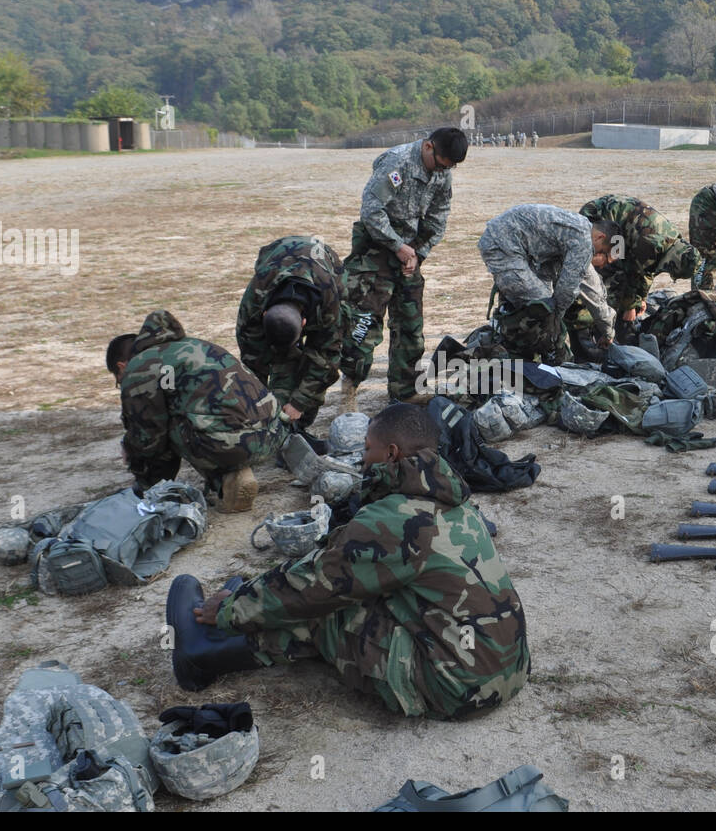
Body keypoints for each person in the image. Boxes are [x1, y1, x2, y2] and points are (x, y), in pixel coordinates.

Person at [167, 403, 531, 719]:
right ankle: (226, 636)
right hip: (504, 668)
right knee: (352, 593)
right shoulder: (453, 501)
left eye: (368, 448)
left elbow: (315, 585)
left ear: (391, 454)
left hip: (456, 686)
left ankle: (204, 654)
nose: (362, 457)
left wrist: (232, 608)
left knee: (325, 611)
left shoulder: (396, 518)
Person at [106, 310, 288, 512]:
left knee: (167, 425)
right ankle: (234, 476)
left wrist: (137, 464)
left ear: (121, 366)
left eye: (118, 379)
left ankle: (220, 483)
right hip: (274, 434)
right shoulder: (198, 345)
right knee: (197, 416)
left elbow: (149, 438)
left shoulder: (140, 367)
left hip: (231, 446)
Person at [338, 127, 468, 409]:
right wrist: (397, 246)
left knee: (410, 325)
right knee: (364, 324)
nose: (441, 172)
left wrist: (417, 254)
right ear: (428, 147)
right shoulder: (397, 163)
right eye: (441, 163)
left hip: (409, 254)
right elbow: (371, 210)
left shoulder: (442, 172)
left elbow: (439, 215)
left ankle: (404, 390)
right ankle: (349, 390)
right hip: (376, 250)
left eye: (449, 168)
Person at [478, 204, 617, 363]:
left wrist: (607, 332)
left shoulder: (580, 228)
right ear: (600, 237)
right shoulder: (584, 241)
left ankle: (525, 352)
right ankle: (507, 352)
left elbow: (591, 288)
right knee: (542, 307)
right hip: (503, 246)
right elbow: (567, 290)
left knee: (542, 306)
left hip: (512, 243)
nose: (601, 262)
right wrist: (554, 323)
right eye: (603, 254)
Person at [235, 235, 344, 430]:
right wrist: (259, 404)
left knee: (321, 359)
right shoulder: (254, 302)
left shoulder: (329, 301)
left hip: (325, 264)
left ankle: (299, 423)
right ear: (264, 314)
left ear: (304, 323)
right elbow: (252, 358)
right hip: (275, 253)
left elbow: (327, 358)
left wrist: (299, 403)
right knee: (279, 362)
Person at [577, 194, 700, 338]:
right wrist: (630, 307)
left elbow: (647, 271)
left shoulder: (671, 241)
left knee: (619, 281)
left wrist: (641, 298)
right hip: (600, 218)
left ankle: (608, 325)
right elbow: (633, 272)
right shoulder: (650, 244)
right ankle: (587, 328)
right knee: (601, 278)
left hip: (620, 230)